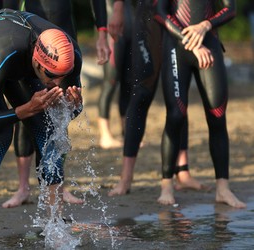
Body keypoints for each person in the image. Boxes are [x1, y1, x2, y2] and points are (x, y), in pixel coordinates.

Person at [0, 9, 83, 249]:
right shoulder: (6, 54)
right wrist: (23, 110)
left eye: (62, 77)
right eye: (52, 76)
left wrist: (74, 105)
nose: (57, 83)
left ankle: (54, 225)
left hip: (20, 61)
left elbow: (72, 112)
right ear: (37, 62)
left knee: (48, 131)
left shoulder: (70, 55)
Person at [0, 0, 111, 208]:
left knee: (60, 114)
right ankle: (23, 187)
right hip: (33, 43)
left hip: (65, 40)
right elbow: (2, 7)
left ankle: (58, 187)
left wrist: (102, 33)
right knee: (29, 114)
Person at [108, 0, 205, 197]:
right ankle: (126, 177)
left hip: (180, 17)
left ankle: (183, 171)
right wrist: (118, 8)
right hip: (149, 15)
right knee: (141, 93)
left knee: (179, 95)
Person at [155, 0, 246, 208]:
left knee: (217, 116)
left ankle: (223, 189)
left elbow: (230, 9)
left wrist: (205, 25)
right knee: (176, 115)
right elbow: (160, 12)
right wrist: (190, 40)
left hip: (209, 41)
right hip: (176, 45)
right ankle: (167, 186)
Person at [97, 0, 133, 149]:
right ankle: (105, 134)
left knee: (128, 82)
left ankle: (127, 133)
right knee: (110, 82)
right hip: (111, 18)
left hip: (130, 21)